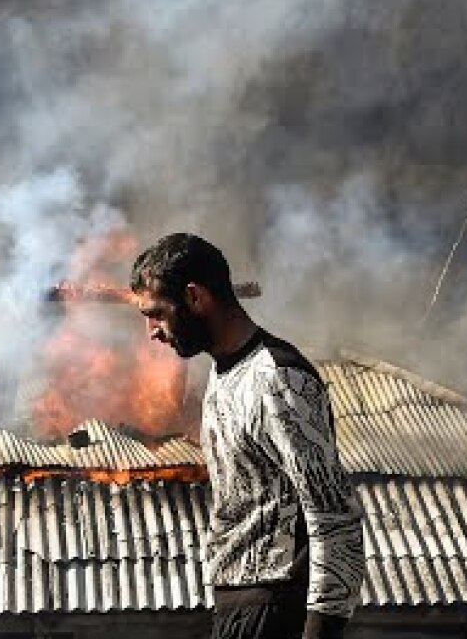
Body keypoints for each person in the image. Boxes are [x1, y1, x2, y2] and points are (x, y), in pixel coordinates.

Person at [130, 233, 364, 639]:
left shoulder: (279, 378)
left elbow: (334, 518)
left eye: (157, 314)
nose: (151, 331)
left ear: (195, 297)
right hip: (237, 610)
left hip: (277, 608)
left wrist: (320, 633)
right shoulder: (222, 378)